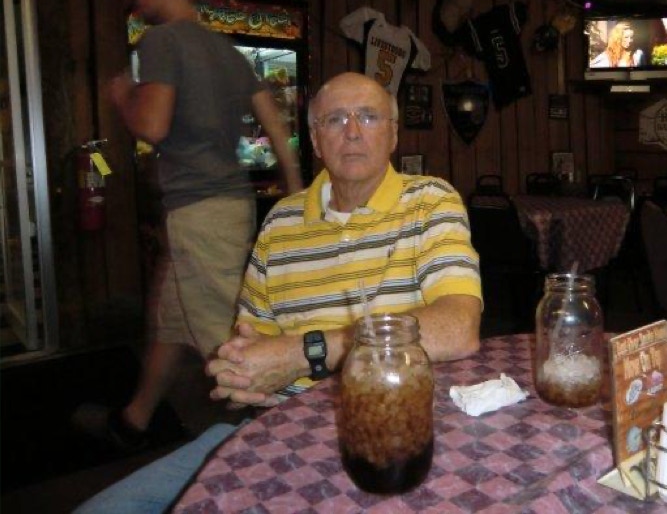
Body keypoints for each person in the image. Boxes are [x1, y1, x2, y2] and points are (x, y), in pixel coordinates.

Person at [72, 71, 482, 513]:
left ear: (394, 134)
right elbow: (252, 342)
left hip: (394, 432)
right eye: (335, 119)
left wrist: (306, 353)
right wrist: (244, 374)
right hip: (278, 427)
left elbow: (458, 328)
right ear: (316, 140)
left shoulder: (430, 201)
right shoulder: (281, 221)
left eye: (368, 116)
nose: (352, 131)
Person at [72, 0, 302, 451]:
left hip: (200, 211)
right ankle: (134, 420)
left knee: (226, 339)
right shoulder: (227, 52)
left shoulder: (161, 40)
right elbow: (276, 126)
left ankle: (284, 436)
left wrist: (123, 97)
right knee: (172, 322)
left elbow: (153, 125)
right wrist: (294, 193)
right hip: (229, 206)